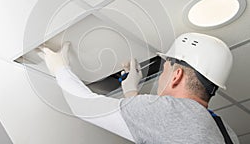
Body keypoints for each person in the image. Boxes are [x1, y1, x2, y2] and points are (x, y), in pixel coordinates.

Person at [38, 32, 239, 144]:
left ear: (177, 76)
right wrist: (131, 92)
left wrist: (60, 68)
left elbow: (84, 107)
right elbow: (159, 129)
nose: (161, 77)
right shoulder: (225, 132)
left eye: (164, 70)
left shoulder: (171, 113)